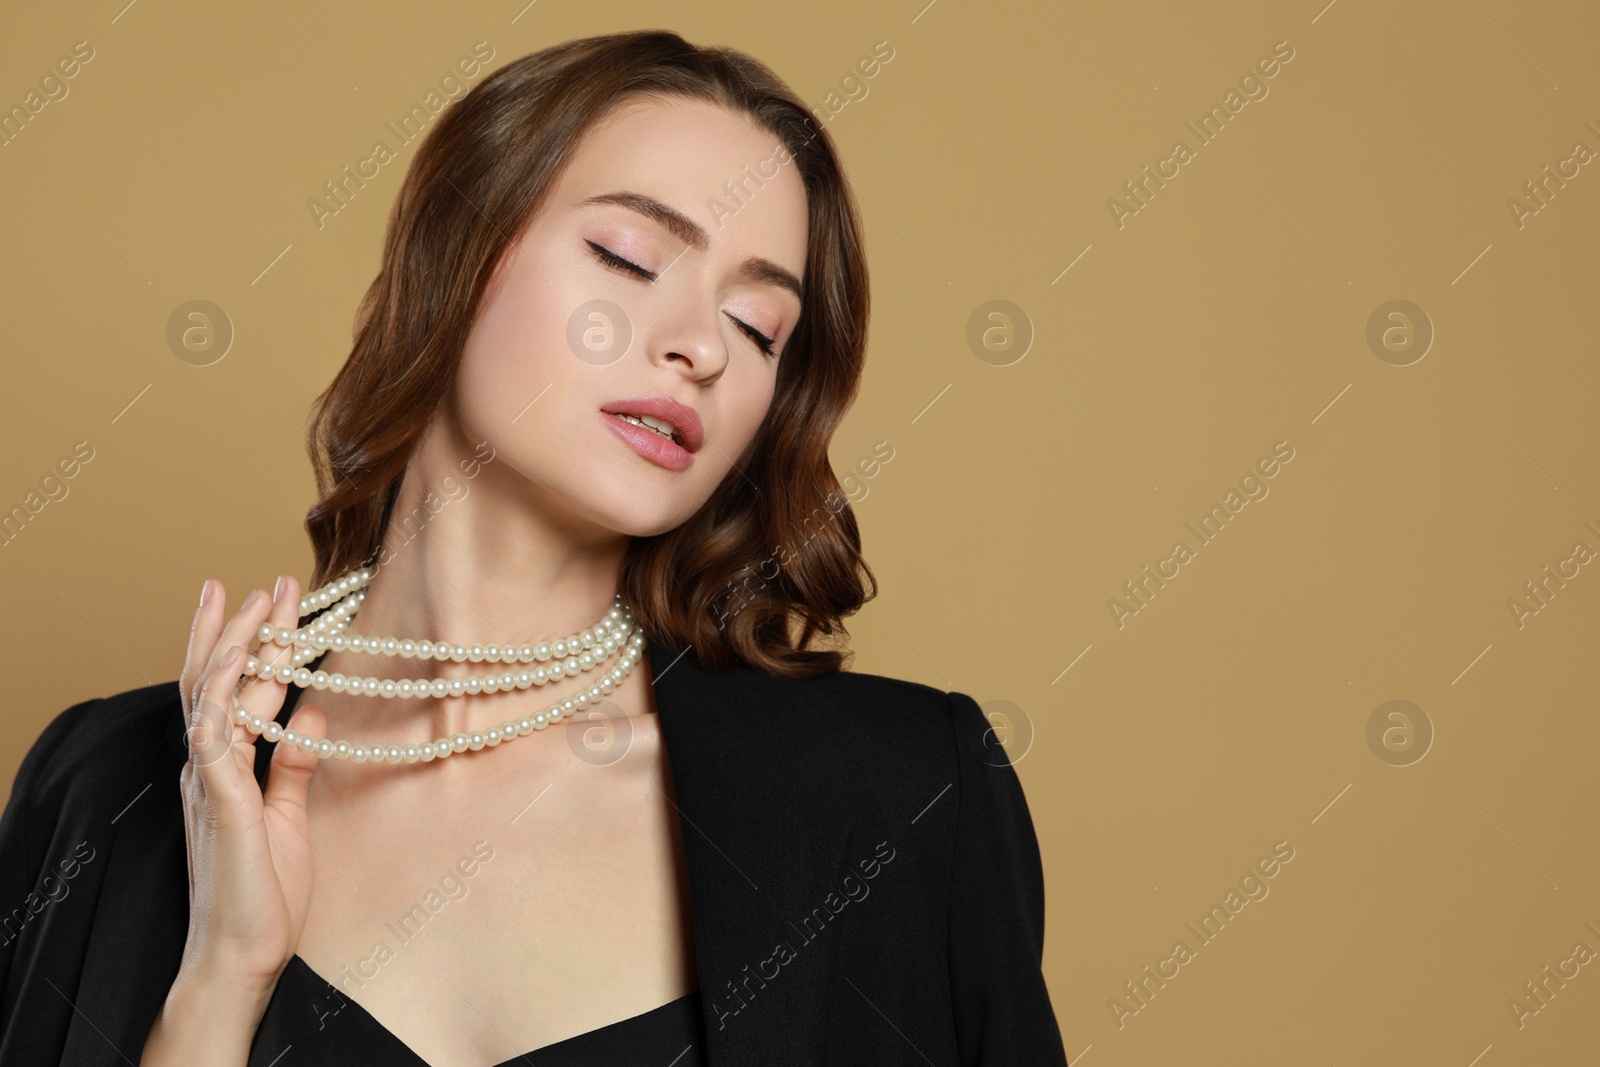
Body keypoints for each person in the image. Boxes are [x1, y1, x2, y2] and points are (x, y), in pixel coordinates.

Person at [0, 30, 1069, 1066]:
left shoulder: (896, 797)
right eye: (627, 255)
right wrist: (220, 980)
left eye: (756, 326)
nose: (697, 345)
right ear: (457, 256)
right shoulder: (110, 791)